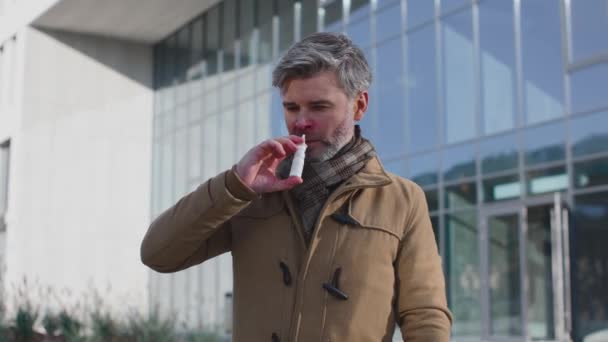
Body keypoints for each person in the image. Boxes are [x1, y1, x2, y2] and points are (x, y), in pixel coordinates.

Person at [141, 32, 452, 341]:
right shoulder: (250, 193)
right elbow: (158, 254)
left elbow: (425, 315)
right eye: (291, 108)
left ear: (359, 105)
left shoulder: (403, 199)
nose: (301, 121)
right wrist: (235, 185)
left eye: (318, 107)